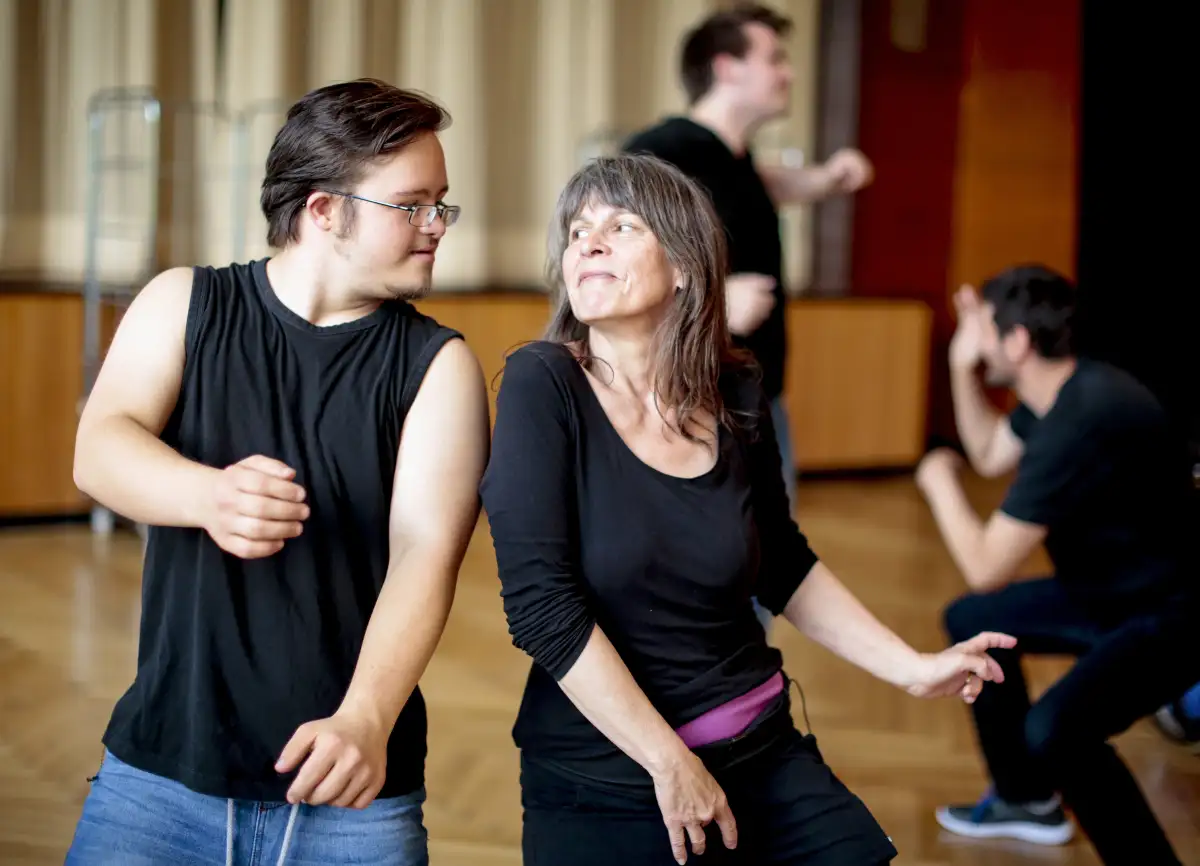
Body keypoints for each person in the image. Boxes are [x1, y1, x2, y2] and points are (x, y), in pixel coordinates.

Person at [479, 152, 1016, 866]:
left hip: (763, 747)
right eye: (578, 231)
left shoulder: (735, 389)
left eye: (621, 225)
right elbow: (542, 609)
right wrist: (670, 764)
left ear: (686, 268)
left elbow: (782, 561)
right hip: (610, 775)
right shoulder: (542, 385)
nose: (589, 242)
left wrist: (910, 669)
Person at [65, 79, 490, 865]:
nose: (437, 226)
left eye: (443, 204)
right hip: (157, 775)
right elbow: (99, 449)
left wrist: (366, 718)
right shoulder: (183, 303)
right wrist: (206, 493)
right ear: (324, 210)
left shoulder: (440, 367)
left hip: (354, 790)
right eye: (413, 205)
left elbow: (425, 556)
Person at [915, 265, 1199, 864]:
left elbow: (986, 564)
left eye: (983, 331)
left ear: (1016, 343)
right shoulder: (1063, 393)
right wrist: (959, 365)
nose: (975, 341)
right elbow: (990, 452)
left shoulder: (1083, 419)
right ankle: (1024, 800)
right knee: (975, 621)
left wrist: (939, 483)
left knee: (1057, 730)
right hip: (1108, 593)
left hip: (1173, 615)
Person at [623, 2, 873, 520]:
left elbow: (763, 186)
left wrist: (828, 178)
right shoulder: (662, 151)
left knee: (766, 563)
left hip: (758, 392)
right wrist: (709, 301)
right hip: (698, 398)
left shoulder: (735, 160)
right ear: (727, 67)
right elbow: (620, 256)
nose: (790, 72)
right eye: (775, 58)